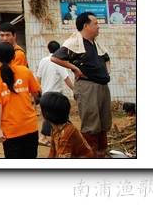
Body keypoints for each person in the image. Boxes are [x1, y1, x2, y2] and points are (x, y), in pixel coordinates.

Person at [51, 12, 112, 158]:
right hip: (87, 86)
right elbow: (56, 58)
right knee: (91, 124)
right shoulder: (74, 43)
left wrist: (106, 72)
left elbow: (106, 58)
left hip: (102, 85)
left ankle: (102, 154)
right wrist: (75, 69)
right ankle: (89, 155)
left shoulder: (96, 43)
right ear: (86, 26)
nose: (98, 27)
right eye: (95, 24)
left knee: (104, 122)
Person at [0, 43, 41, 158]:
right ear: (14, 56)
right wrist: (31, 103)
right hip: (30, 125)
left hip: (10, 129)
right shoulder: (25, 71)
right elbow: (35, 93)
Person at [36, 40, 74, 146]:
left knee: (51, 116)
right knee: (58, 116)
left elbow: (38, 78)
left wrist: (38, 91)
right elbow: (66, 78)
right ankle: (44, 137)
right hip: (55, 95)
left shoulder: (43, 61)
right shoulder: (58, 61)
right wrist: (74, 89)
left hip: (45, 93)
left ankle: (63, 136)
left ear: (48, 49)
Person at [39, 91, 94, 159]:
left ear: (48, 113)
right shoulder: (55, 130)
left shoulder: (68, 133)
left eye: (42, 109)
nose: (40, 112)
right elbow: (52, 154)